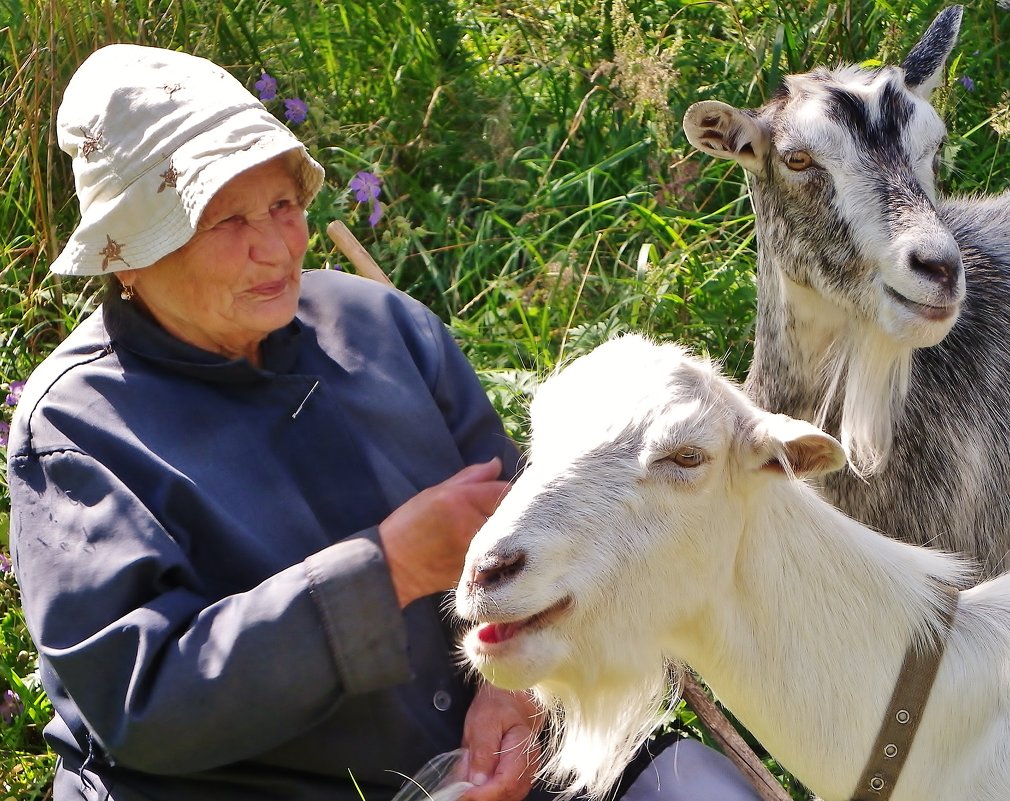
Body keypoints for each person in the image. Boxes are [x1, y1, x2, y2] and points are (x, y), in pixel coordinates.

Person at [7, 44, 763, 801]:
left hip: (492, 762)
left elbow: (538, 544)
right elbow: (143, 704)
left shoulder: (377, 324)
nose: (274, 248)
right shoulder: (78, 428)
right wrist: (389, 568)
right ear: (130, 257)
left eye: (281, 205)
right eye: (225, 221)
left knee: (695, 786)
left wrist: (515, 694)